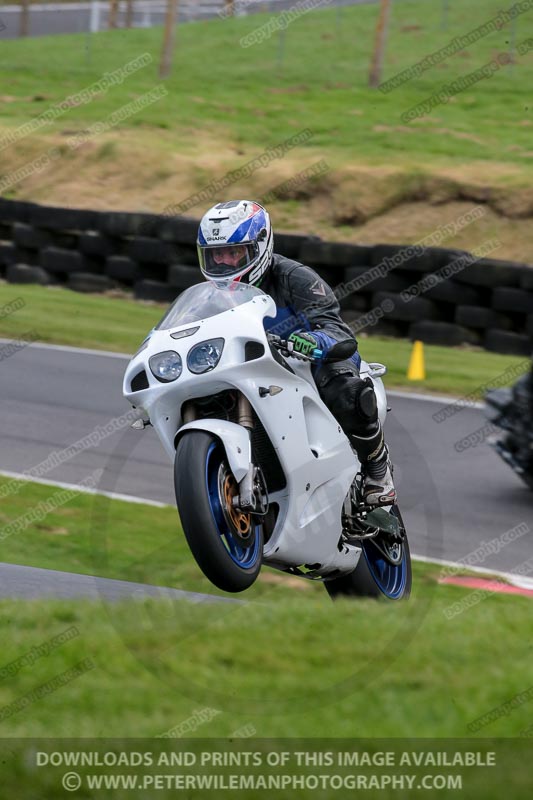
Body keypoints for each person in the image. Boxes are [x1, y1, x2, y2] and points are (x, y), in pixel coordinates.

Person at [196, 200, 396, 506]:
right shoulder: (207, 296)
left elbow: (338, 331)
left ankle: (376, 469)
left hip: (306, 361)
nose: (224, 265)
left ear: (261, 246)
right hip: (251, 367)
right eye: (216, 256)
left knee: (341, 382)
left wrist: (311, 343)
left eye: (233, 254)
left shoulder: (295, 277)